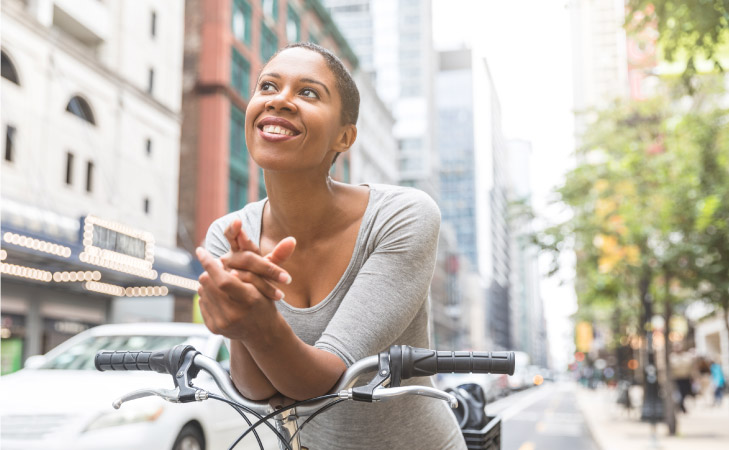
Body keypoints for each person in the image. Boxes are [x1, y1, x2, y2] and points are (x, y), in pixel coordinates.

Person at [195, 42, 466, 449]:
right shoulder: (229, 233)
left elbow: (325, 380)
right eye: (267, 86)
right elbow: (255, 391)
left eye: (307, 92)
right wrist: (244, 325)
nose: (280, 101)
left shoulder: (403, 215)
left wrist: (260, 323)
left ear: (345, 135)